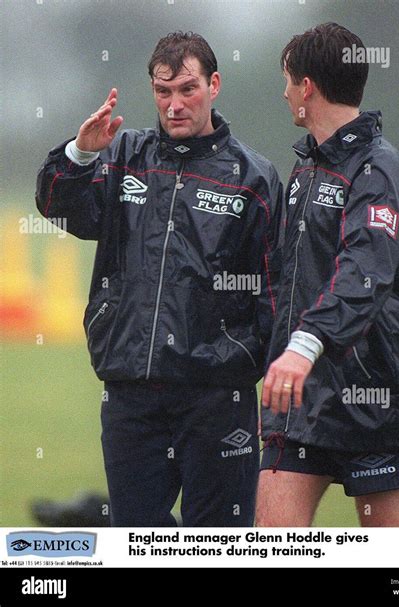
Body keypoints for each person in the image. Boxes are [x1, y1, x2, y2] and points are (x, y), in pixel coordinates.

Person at [36, 32, 283, 527]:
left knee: (218, 546)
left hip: (217, 397)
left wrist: (244, 361)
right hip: (130, 392)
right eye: (163, 91)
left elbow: (275, 292)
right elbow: (59, 210)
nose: (174, 105)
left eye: (187, 90)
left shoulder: (253, 178)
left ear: (214, 85)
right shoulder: (122, 154)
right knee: (137, 540)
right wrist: (81, 156)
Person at [257, 23, 399, 527]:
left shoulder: (380, 170)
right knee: (268, 555)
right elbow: (286, 277)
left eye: (288, 79)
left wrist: (304, 345)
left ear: (307, 88)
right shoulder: (306, 169)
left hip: (376, 399)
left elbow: (365, 271)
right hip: (299, 401)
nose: (284, 91)